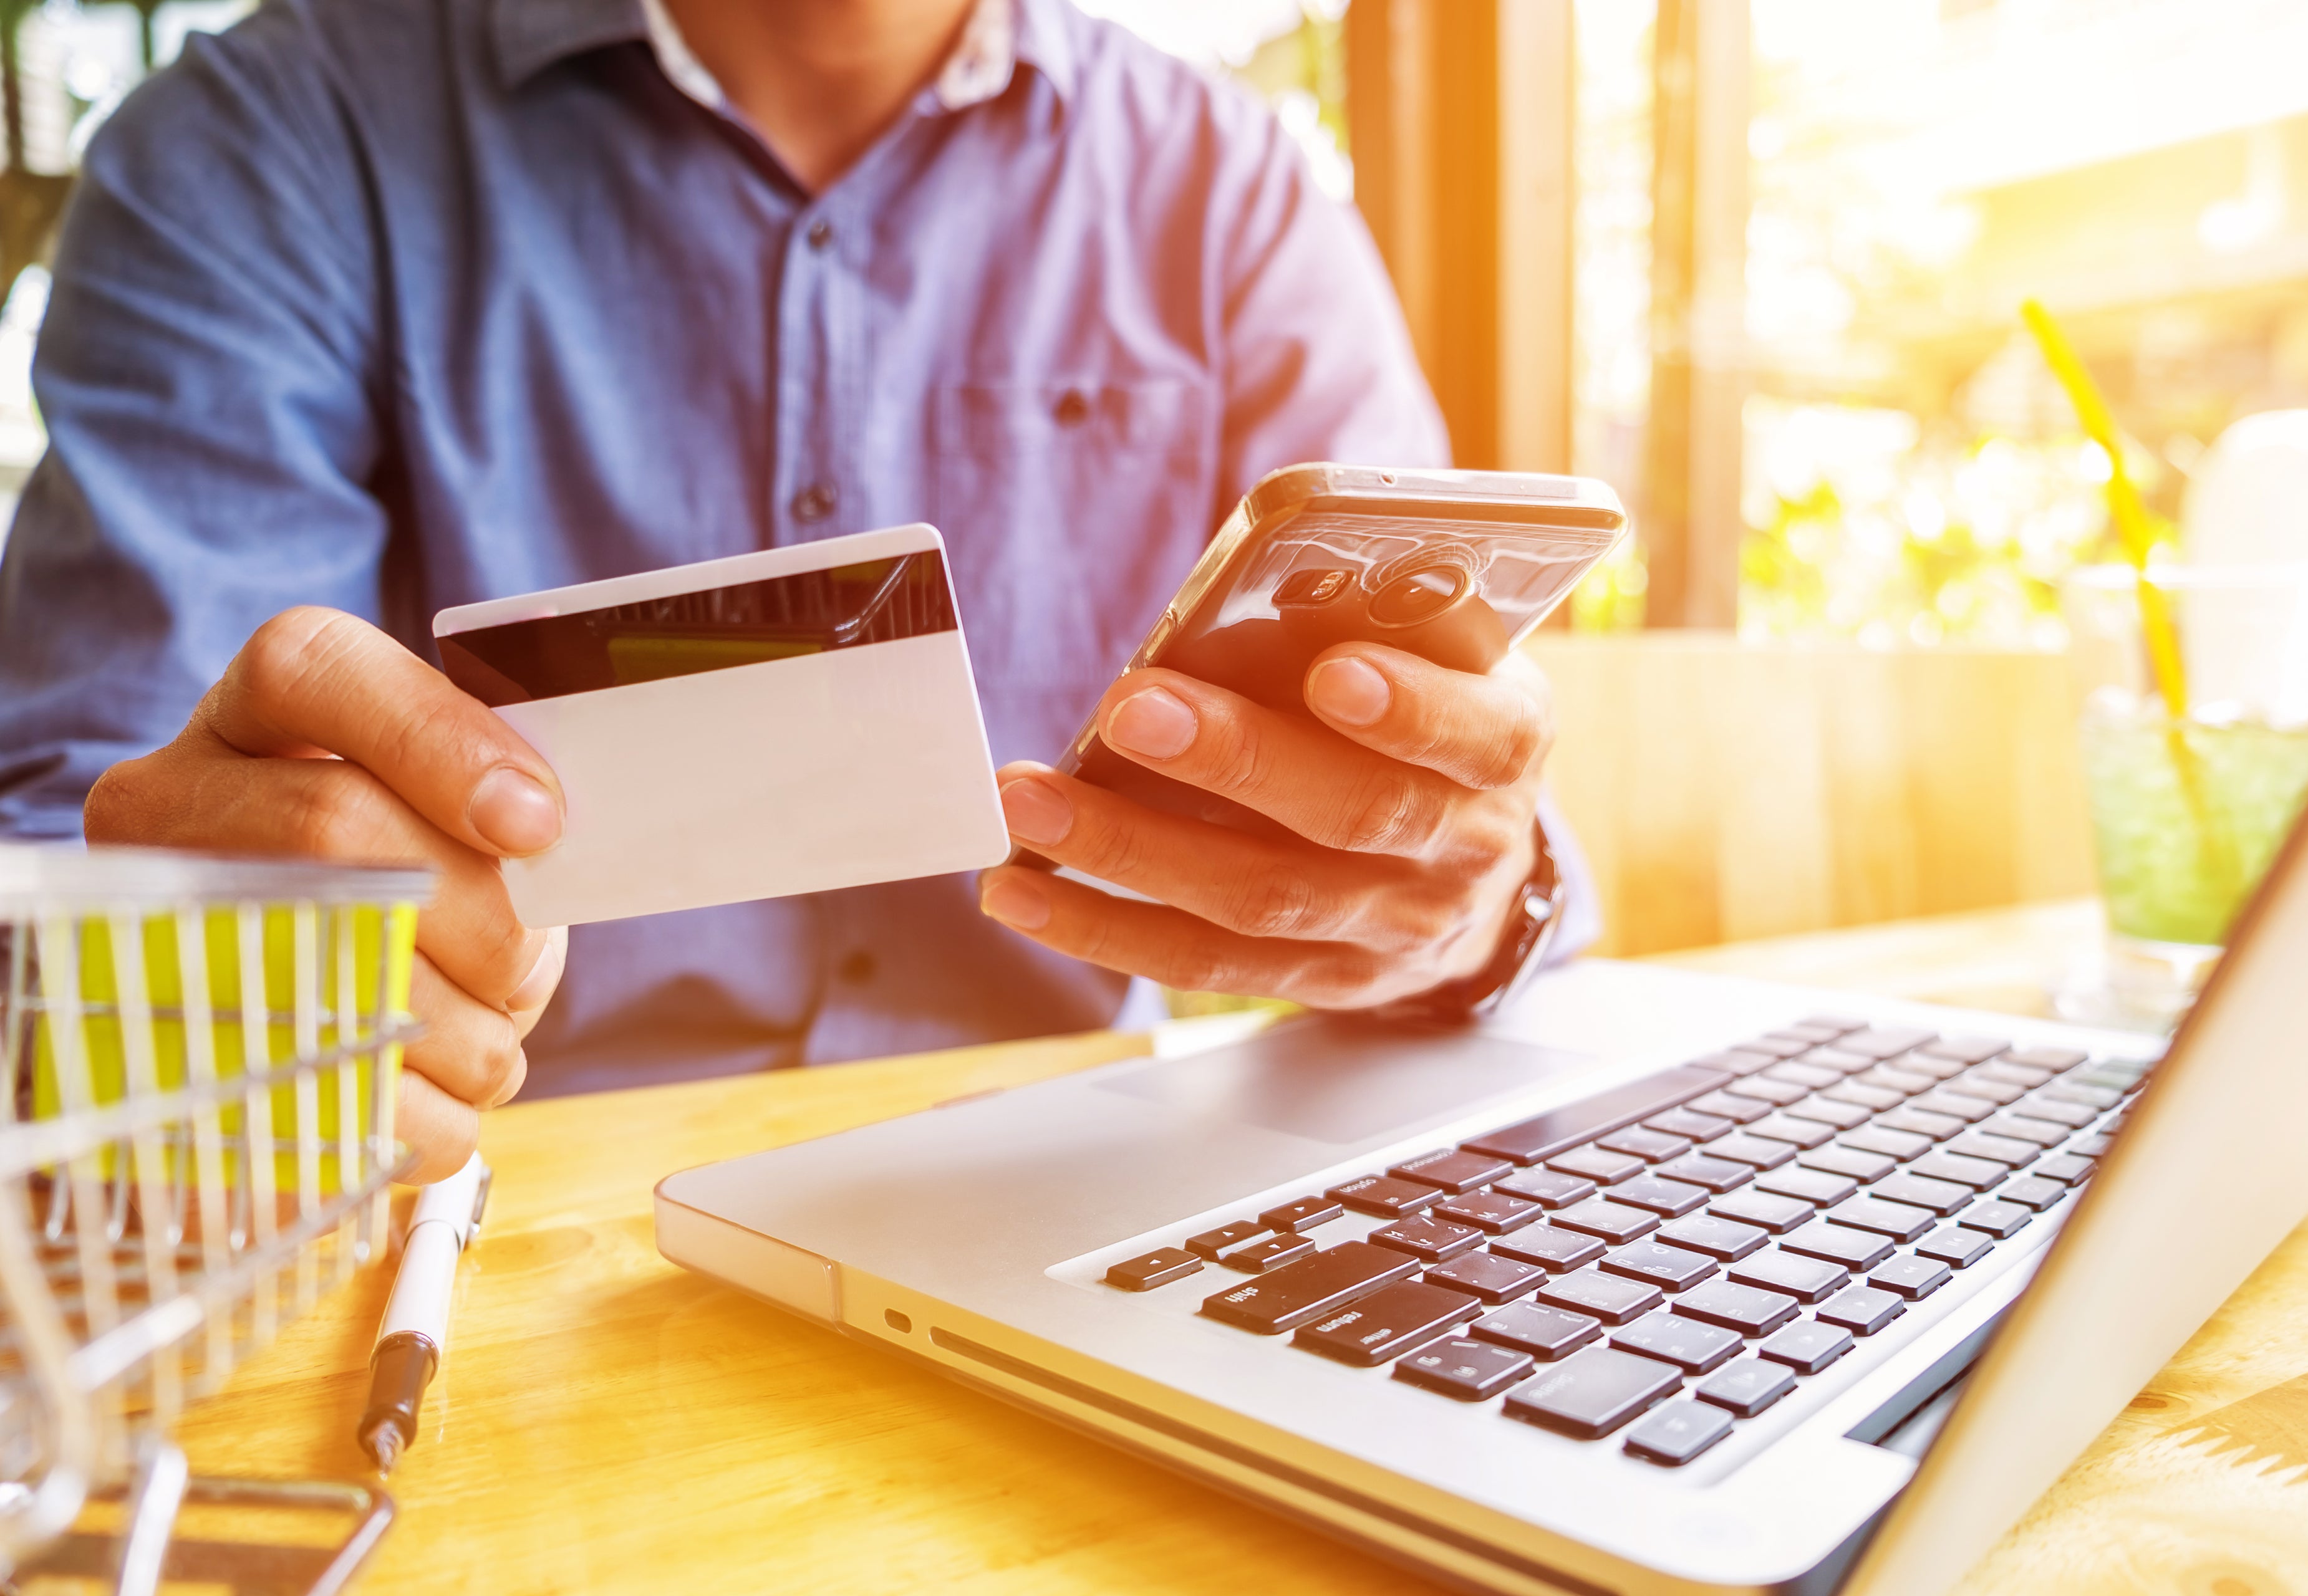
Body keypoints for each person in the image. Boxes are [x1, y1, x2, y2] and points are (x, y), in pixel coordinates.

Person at [0, 0, 1587, 1180]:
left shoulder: (1227, 189)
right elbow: (98, 842)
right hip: (467, 1213)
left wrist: (1458, 896)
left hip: (1065, 1180)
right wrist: (155, 984)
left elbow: (1452, 799)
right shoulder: (276, 138)